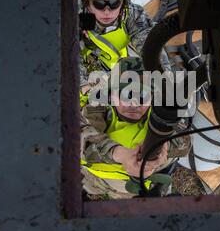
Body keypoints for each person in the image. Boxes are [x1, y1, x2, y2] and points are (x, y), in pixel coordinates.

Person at [81, 57, 191, 199]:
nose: (134, 103)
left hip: (145, 186)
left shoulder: (163, 110)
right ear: (112, 95)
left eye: (143, 95)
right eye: (126, 94)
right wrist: (118, 153)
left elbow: (185, 141)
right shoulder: (97, 109)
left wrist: (164, 147)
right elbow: (80, 140)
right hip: (99, 181)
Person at [79, 0, 170, 105]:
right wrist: (84, 86)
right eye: (99, 4)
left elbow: (150, 47)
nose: (107, 11)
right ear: (88, 5)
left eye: (114, 3)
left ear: (122, 3)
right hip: (85, 67)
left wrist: (162, 79)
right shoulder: (71, 16)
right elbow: (67, 56)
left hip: (118, 66)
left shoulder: (132, 14)